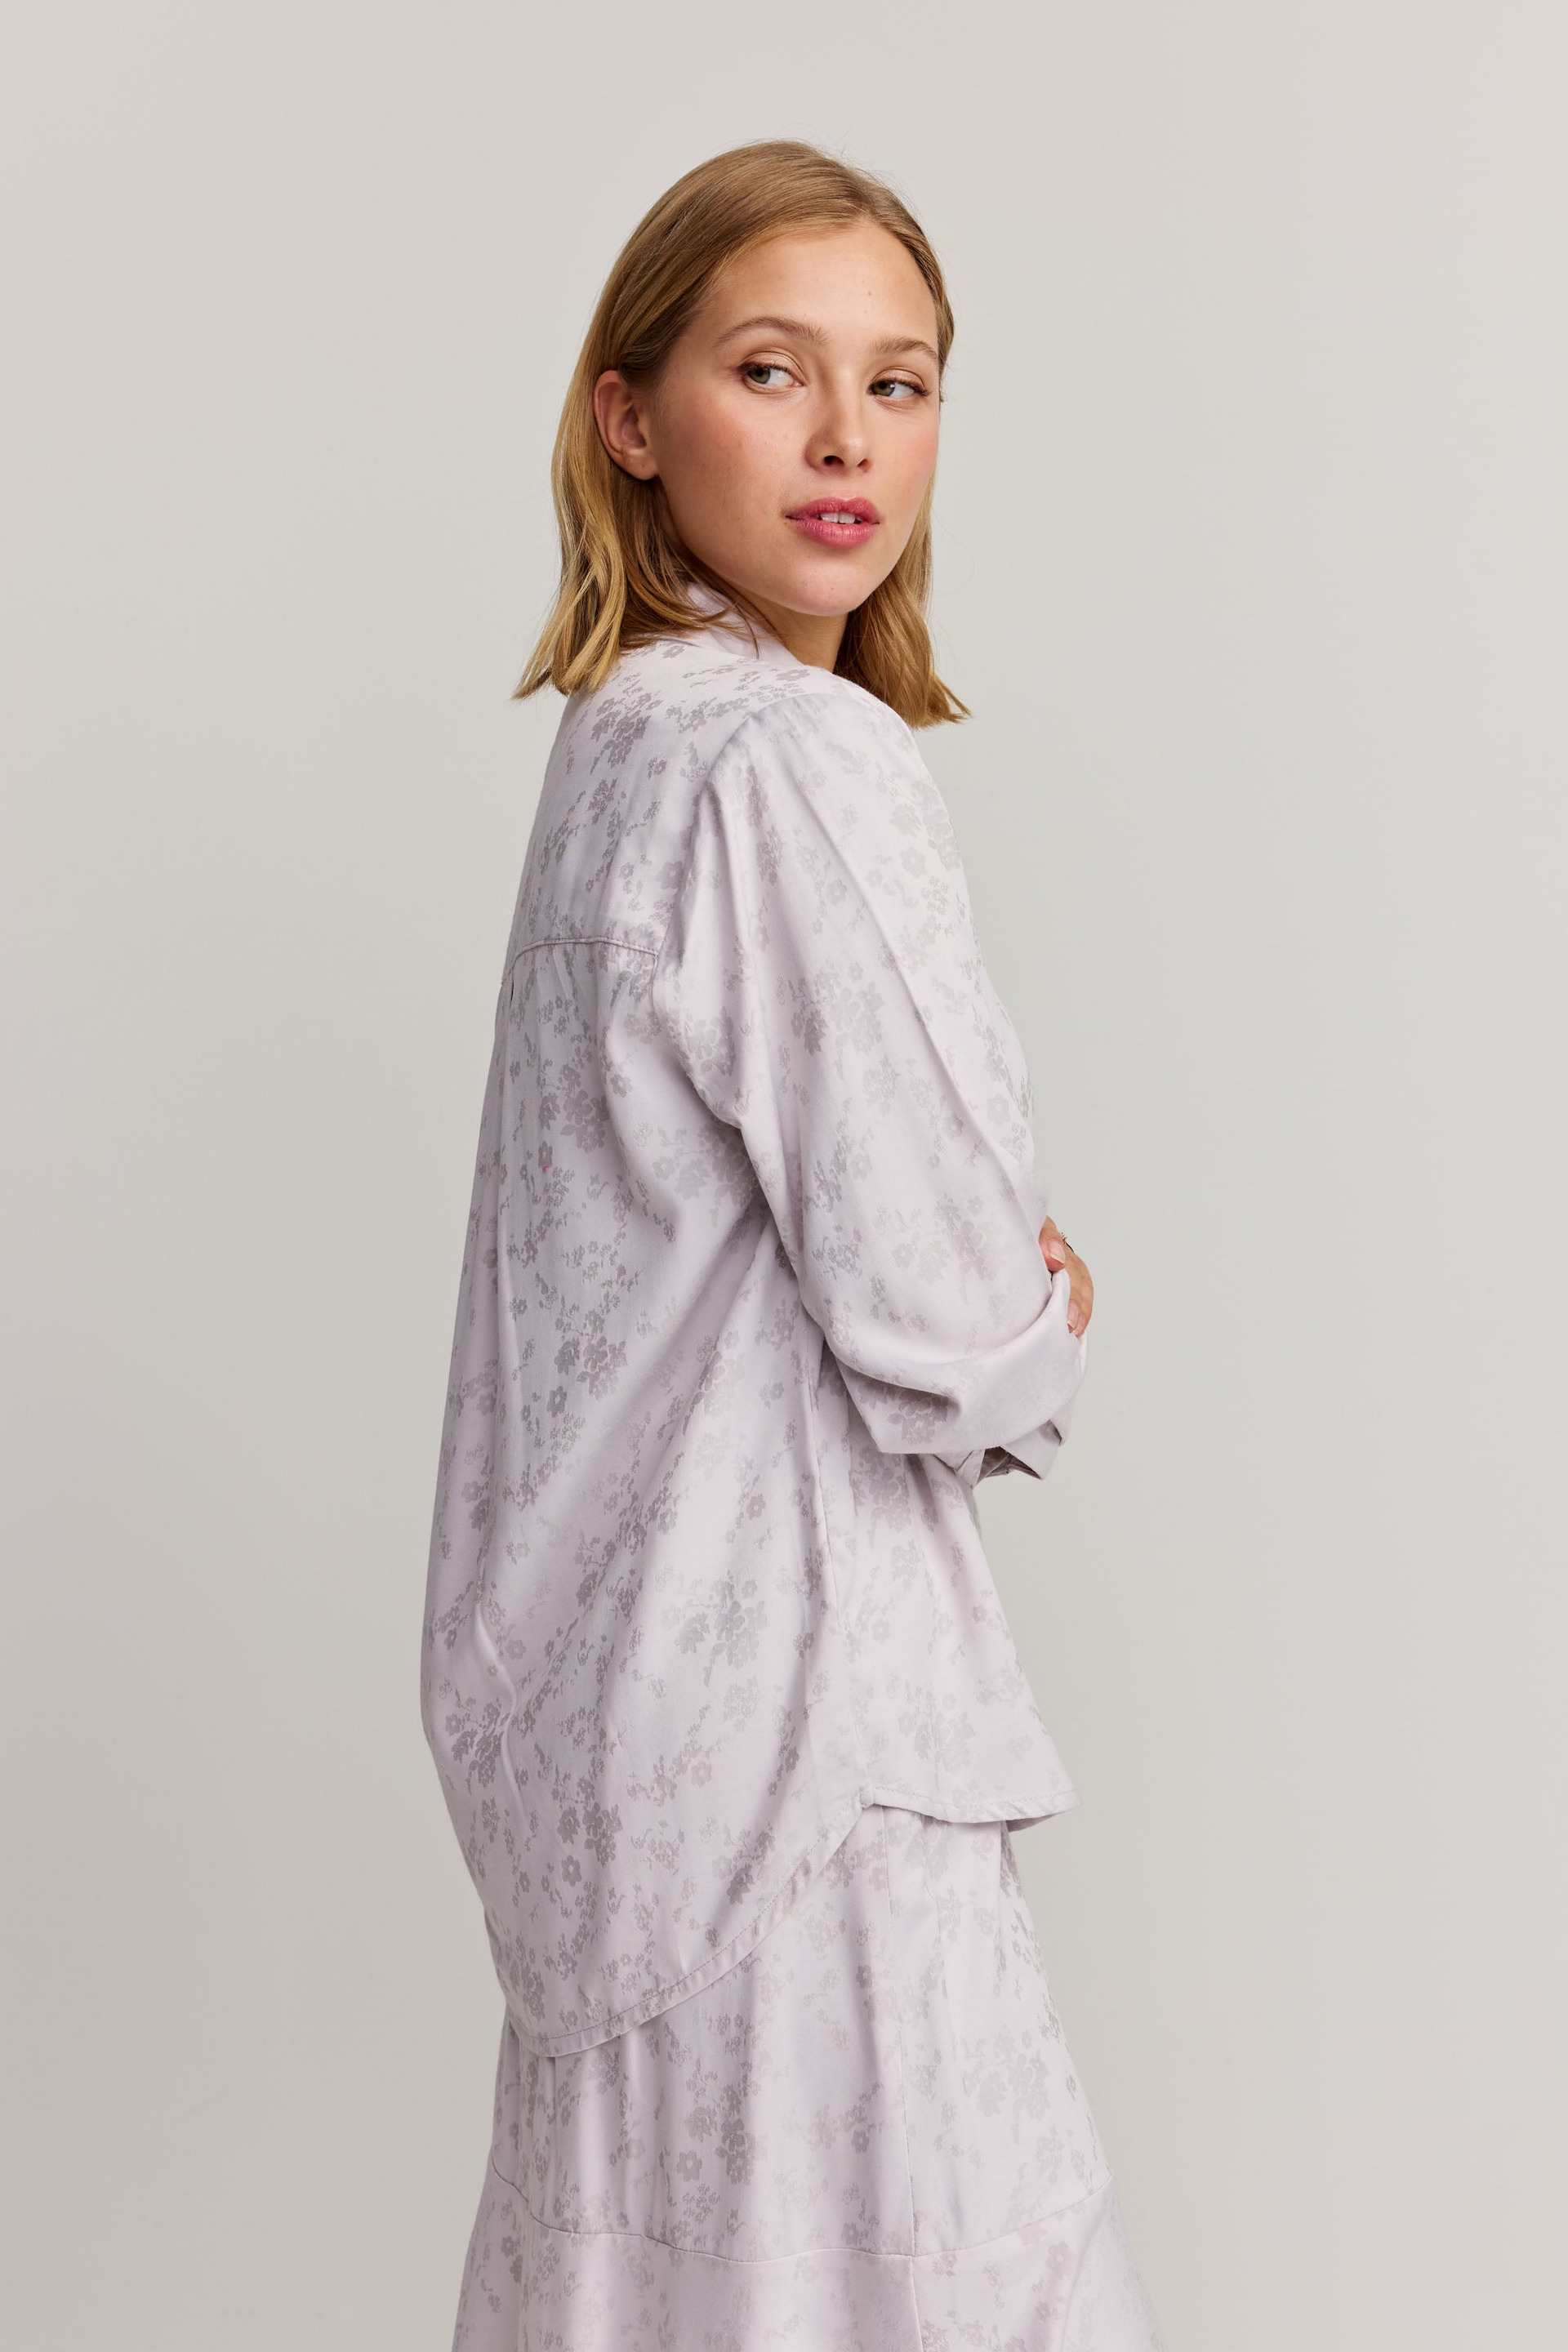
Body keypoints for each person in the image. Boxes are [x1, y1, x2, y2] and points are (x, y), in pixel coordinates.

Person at [421, 138, 1167, 2351]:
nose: (849, 439)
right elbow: (947, 1312)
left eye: (900, 383)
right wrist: (1039, 1305)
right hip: (805, 1763)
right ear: (629, 416)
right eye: (772, 369)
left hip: (617, 1772)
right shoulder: (788, 761)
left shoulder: (620, 750)